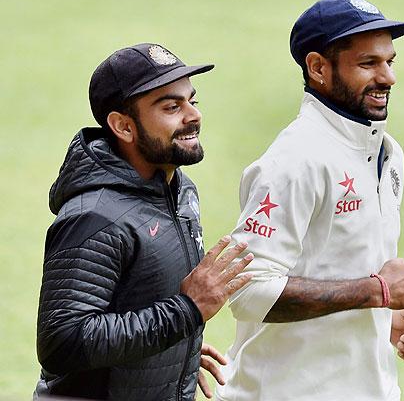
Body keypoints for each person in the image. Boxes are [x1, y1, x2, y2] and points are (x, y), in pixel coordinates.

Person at [214, 0, 404, 401]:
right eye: (368, 64)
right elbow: (247, 292)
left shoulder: (389, 154)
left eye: (390, 61)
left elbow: (342, 268)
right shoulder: (293, 161)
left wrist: (384, 318)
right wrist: (378, 292)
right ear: (318, 67)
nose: (387, 77)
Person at [35, 43, 254, 400]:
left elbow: (141, 302)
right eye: (171, 107)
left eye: (192, 101)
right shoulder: (95, 215)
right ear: (123, 126)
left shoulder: (179, 190)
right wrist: (186, 311)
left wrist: (171, 356)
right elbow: (63, 342)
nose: (193, 115)